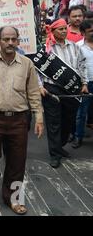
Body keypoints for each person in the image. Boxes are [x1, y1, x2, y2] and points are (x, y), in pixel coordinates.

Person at [0, 26, 44, 215]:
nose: (10, 43)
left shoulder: (27, 64)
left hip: (19, 120)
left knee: (17, 163)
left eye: (14, 39)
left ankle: (13, 199)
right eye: (6, 39)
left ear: (18, 41)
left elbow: (33, 92)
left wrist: (39, 117)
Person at [40, 19, 88, 168]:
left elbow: (82, 65)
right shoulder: (46, 49)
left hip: (71, 89)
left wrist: (85, 83)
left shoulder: (74, 47)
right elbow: (36, 70)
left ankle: (59, 147)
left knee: (68, 121)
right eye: (59, 29)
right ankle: (55, 154)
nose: (63, 31)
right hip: (52, 89)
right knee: (54, 123)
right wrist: (40, 86)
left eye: (64, 29)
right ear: (53, 31)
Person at [74, 19, 93, 148]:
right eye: (90, 31)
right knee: (81, 112)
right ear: (83, 32)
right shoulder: (77, 47)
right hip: (86, 83)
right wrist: (82, 83)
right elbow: (77, 66)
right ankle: (78, 137)